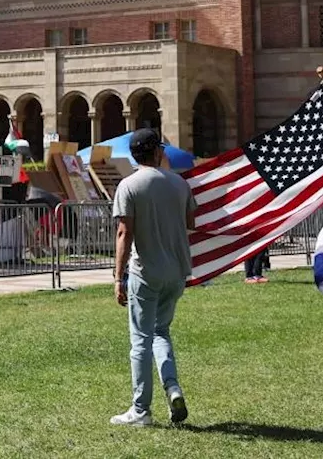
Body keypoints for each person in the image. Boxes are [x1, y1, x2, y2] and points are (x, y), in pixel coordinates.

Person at [110, 128, 197, 426]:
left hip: (146, 270)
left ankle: (141, 410)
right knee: (161, 332)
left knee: (140, 340)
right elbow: (191, 221)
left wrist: (117, 276)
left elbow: (124, 232)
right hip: (177, 270)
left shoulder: (129, 185)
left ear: (133, 154)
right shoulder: (179, 183)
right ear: (159, 152)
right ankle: (172, 389)